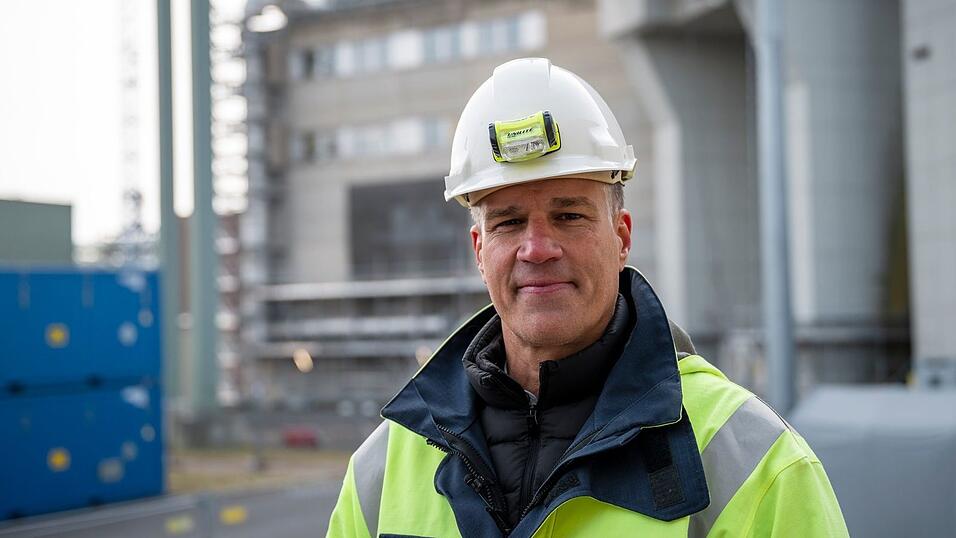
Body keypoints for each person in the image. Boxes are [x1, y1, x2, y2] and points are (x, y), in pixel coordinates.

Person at [327, 58, 848, 537]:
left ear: (621, 237)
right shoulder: (382, 472)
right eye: (509, 222)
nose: (537, 248)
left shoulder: (753, 464)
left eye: (568, 215)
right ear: (480, 251)